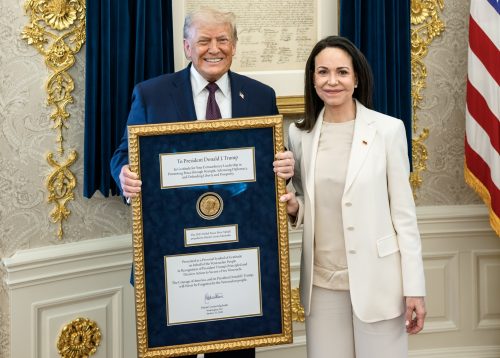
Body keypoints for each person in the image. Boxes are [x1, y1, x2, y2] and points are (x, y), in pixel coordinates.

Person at [110, 7, 294, 358]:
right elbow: (124, 155)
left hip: (237, 257)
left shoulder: (260, 96)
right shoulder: (152, 94)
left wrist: (284, 164)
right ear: (187, 46)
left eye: (223, 39)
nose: (215, 48)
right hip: (171, 256)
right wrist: (124, 177)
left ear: (235, 45)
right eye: (204, 40)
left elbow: (270, 160)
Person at [279, 36, 426, 357]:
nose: (332, 81)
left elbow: (404, 215)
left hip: (379, 282)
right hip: (321, 285)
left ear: (357, 78)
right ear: (312, 79)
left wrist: (415, 288)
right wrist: (294, 207)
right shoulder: (299, 135)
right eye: (323, 72)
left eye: (342, 72)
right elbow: (306, 197)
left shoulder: (387, 130)